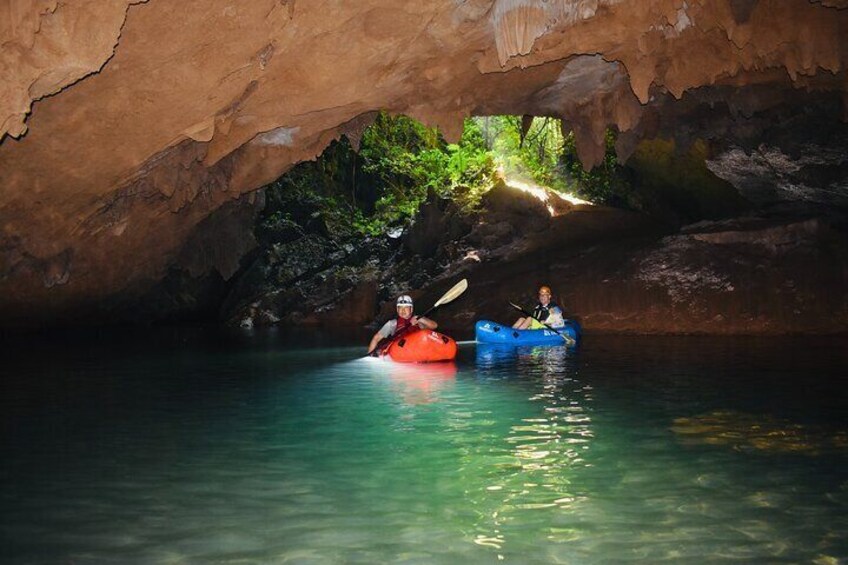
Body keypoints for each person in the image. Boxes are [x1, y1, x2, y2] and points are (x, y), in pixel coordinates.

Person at [368, 294, 438, 353]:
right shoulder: (392, 324)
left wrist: (421, 319)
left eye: (406, 307)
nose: (403, 310)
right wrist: (370, 354)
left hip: (418, 348)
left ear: (411, 309)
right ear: (397, 310)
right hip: (400, 350)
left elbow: (434, 326)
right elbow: (376, 338)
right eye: (400, 308)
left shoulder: (418, 321)